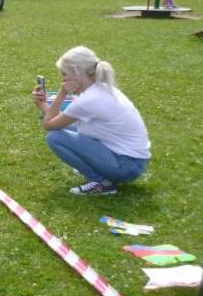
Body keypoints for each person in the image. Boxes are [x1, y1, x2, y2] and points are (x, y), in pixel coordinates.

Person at [31, 46, 150, 196]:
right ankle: (99, 170)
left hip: (126, 166)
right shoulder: (101, 88)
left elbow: (49, 125)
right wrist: (41, 104)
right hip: (134, 162)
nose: (63, 80)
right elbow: (59, 121)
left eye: (64, 74)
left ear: (77, 72)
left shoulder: (88, 100)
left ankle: (102, 183)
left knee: (55, 138)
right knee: (67, 129)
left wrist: (62, 93)